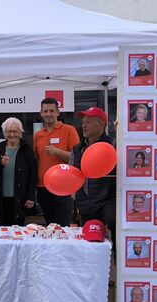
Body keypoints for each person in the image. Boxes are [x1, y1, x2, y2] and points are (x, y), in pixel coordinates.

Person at [70, 107, 116, 248]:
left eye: (88, 122)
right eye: (83, 122)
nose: (83, 125)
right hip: (85, 202)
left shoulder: (113, 144)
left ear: (102, 123)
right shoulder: (77, 148)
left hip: (107, 201)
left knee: (113, 242)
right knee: (88, 244)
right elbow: (72, 172)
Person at [34, 98, 79, 226]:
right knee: (50, 225)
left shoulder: (69, 130)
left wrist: (57, 152)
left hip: (64, 187)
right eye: (45, 111)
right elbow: (37, 160)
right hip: (43, 187)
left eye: (52, 111)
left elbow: (77, 158)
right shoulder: (38, 135)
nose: (48, 114)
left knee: (63, 226)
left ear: (58, 113)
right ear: (41, 113)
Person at [0, 117, 37, 226]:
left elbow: (33, 173)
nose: (12, 135)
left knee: (18, 229)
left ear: (20, 132)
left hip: (20, 197)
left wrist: (31, 196)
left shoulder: (26, 148)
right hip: (2, 197)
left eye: (15, 131)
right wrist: (0, 163)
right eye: (9, 131)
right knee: (4, 228)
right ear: (5, 133)